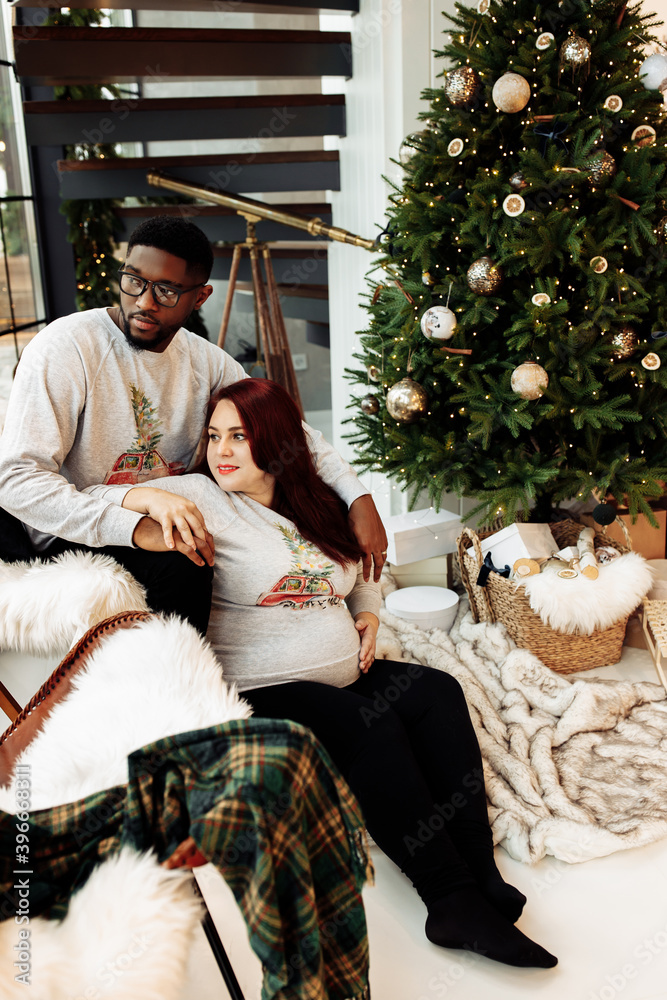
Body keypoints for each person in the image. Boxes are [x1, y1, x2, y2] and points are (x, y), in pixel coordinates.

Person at [87, 378, 558, 970]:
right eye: (213, 436)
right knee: (370, 726)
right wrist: (150, 500)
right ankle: (449, 899)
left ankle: (478, 871)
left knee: (439, 691)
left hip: (341, 676)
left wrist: (367, 615)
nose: (222, 450)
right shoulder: (199, 497)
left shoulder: (313, 502)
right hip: (260, 688)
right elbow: (95, 503)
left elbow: (361, 571)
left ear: (278, 441)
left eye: (240, 435)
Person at [0, 217, 387, 634]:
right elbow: (17, 480)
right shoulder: (67, 347)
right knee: (184, 561)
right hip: (68, 528)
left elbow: (285, 430)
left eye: (166, 291)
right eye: (134, 281)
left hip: (171, 511)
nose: (144, 302)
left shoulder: (207, 361)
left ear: (200, 296)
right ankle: (185, 690)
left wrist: (357, 496)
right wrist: (135, 528)